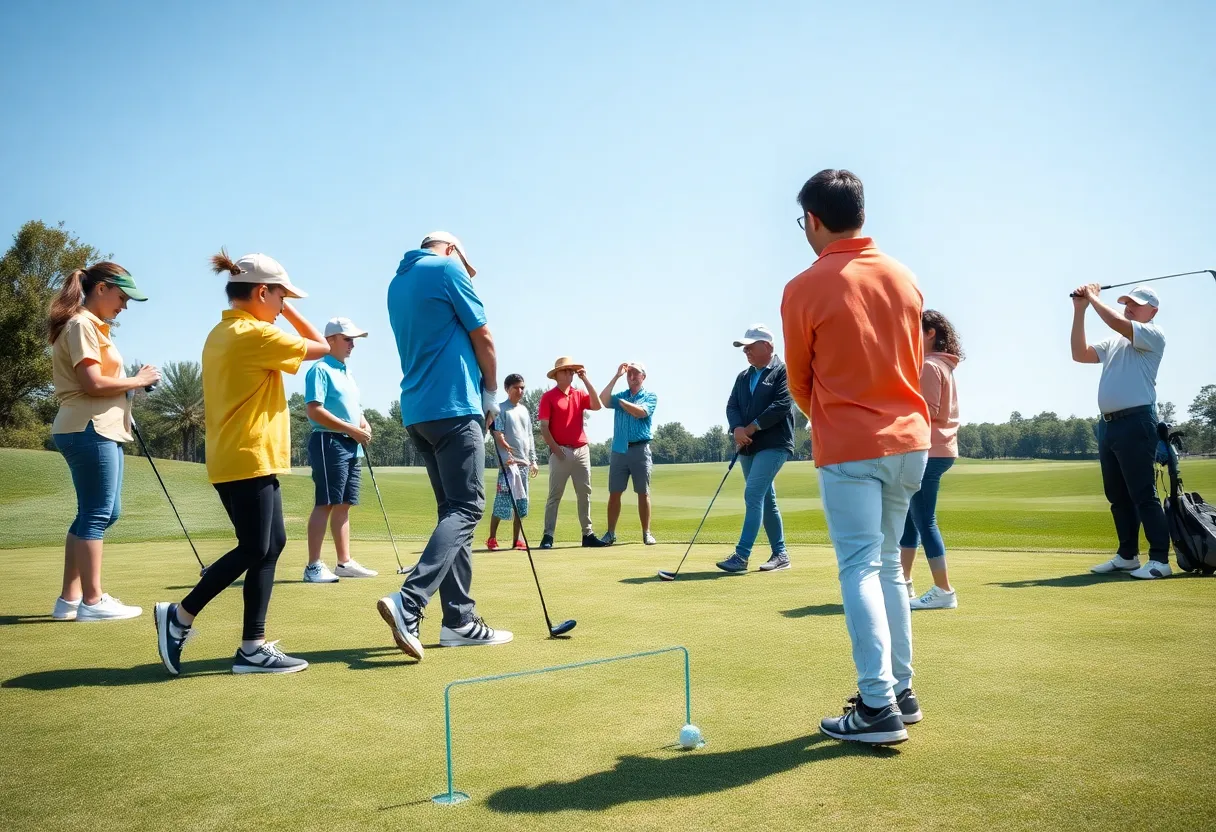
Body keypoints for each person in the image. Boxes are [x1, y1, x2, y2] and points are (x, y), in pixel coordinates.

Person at [782, 169, 931, 745]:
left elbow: (800, 379)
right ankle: (900, 692)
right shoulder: (903, 275)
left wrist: (827, 415)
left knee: (862, 567)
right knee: (889, 564)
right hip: (910, 440)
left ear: (814, 220)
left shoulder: (804, 286)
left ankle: (876, 705)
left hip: (850, 443)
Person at [155, 250, 329, 676]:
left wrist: (281, 303)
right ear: (263, 292)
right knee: (255, 547)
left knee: (271, 544)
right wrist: (289, 312)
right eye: (281, 297)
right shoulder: (256, 334)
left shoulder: (221, 331)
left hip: (235, 455)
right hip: (249, 455)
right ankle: (180, 615)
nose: (283, 306)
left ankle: (252, 646)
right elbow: (322, 347)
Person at [377, 231, 512, 661]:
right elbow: (483, 337)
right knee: (468, 508)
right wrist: (491, 393)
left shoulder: (397, 283)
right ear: (452, 250)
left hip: (418, 412)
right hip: (455, 405)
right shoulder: (448, 268)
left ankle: (459, 621)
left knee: (452, 513)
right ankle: (409, 600)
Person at [48, 262, 159, 622]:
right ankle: (93, 602)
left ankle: (69, 599)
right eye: (122, 297)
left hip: (98, 428)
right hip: (89, 427)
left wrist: (127, 393)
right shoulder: (81, 325)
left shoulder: (92, 326)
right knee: (97, 514)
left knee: (103, 513)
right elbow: (93, 383)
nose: (124, 306)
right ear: (101, 288)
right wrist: (138, 380)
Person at [1072, 283, 1171, 579]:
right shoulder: (1115, 341)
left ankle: (1160, 560)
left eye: (1136, 304)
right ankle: (1127, 555)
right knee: (1117, 495)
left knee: (1143, 493)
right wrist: (1080, 310)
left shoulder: (1153, 334)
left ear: (1153, 311)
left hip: (1137, 421)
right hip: (1109, 425)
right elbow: (1080, 354)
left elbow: (1116, 321)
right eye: (1127, 302)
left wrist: (1092, 297)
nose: (1129, 307)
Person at [303, 316, 377, 582]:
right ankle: (313, 566)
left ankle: (344, 563)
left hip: (350, 444)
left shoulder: (347, 373)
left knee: (344, 504)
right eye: (347, 339)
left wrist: (363, 423)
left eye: (353, 340)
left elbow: (354, 408)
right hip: (329, 442)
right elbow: (314, 410)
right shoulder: (320, 369)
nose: (352, 345)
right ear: (330, 340)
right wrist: (350, 429)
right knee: (326, 502)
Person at [716, 326, 795, 573]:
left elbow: (781, 405)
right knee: (766, 499)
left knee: (753, 494)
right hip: (748, 446)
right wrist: (737, 429)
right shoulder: (743, 376)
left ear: (768, 346)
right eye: (744, 348)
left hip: (774, 443)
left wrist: (751, 427)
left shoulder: (783, 371)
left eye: (750, 347)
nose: (746, 351)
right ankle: (780, 554)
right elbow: (732, 406)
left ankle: (741, 556)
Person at [901, 310, 963, 610]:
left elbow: (928, 411)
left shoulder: (929, 365)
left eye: (915, 330)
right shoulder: (941, 364)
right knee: (911, 519)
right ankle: (903, 582)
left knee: (924, 520)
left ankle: (944, 590)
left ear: (930, 333)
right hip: (937, 449)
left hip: (929, 450)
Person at [538, 357, 607, 549]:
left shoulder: (579, 394)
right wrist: (555, 449)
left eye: (572, 371)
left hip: (581, 450)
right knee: (555, 495)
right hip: (560, 451)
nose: (570, 374)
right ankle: (548, 536)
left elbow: (597, 405)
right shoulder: (548, 397)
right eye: (566, 371)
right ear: (557, 375)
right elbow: (544, 427)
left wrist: (586, 379)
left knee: (584, 493)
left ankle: (588, 534)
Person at [599, 361, 658, 545]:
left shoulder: (650, 396)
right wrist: (616, 376)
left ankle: (646, 533)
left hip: (640, 449)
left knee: (643, 492)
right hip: (619, 449)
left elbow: (641, 412)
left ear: (643, 377)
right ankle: (610, 533)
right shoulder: (621, 395)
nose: (631, 376)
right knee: (614, 493)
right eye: (629, 373)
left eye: (635, 373)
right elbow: (603, 399)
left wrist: (622, 403)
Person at [487, 373, 539, 551]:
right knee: (502, 502)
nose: (520, 391)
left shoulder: (524, 410)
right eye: (516, 387)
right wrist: (502, 441)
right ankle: (492, 538)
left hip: (524, 464)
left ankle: (517, 540)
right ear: (507, 389)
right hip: (508, 464)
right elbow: (497, 432)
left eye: (522, 387)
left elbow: (530, 436)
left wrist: (533, 460)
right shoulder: (500, 409)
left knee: (521, 503)